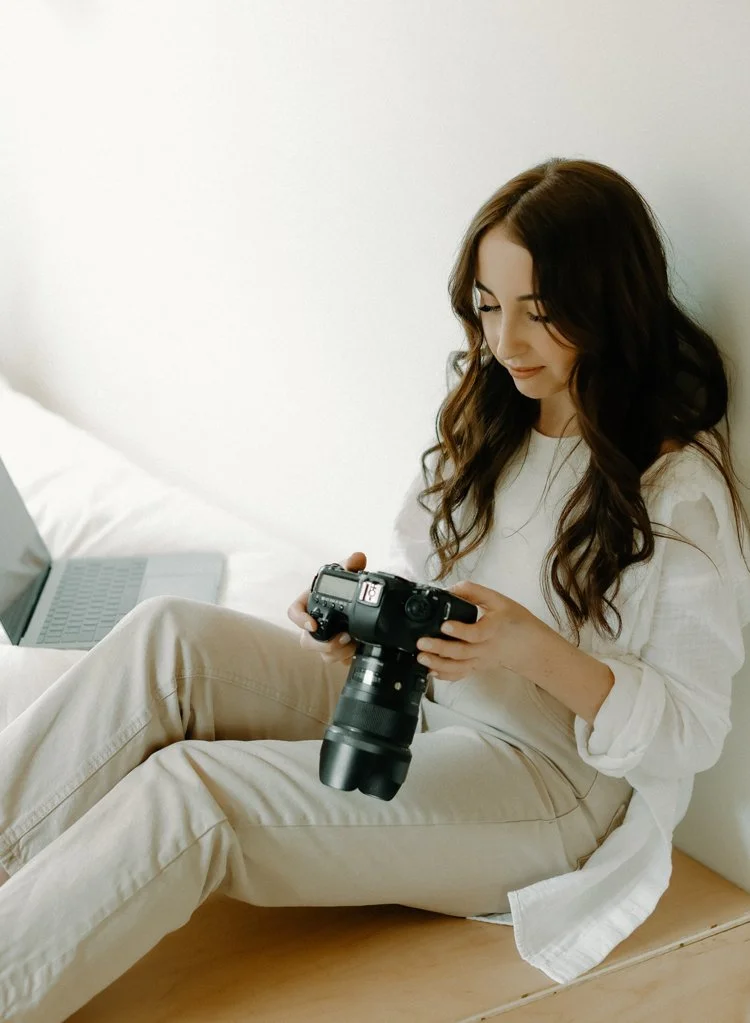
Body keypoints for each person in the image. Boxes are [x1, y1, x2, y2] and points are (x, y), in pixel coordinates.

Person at [2, 156, 750, 1020]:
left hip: (547, 785)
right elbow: (421, 570)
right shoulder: (492, 414)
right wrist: (353, 615)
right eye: (488, 307)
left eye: (538, 315)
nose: (505, 344)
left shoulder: (676, 487)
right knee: (166, 636)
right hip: (416, 703)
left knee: (193, 793)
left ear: (608, 304)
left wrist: (529, 649)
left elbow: (690, 732)